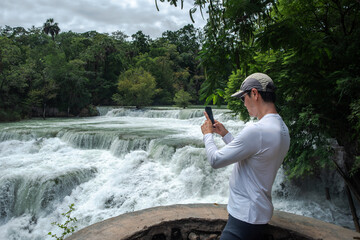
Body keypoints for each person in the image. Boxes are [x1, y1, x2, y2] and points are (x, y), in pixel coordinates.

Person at [201, 73, 290, 240]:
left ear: (255, 94)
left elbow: (215, 160)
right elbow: (253, 155)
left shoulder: (257, 130)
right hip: (258, 213)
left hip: (244, 216)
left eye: (243, 98)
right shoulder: (282, 128)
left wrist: (207, 135)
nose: (243, 103)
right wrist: (225, 134)